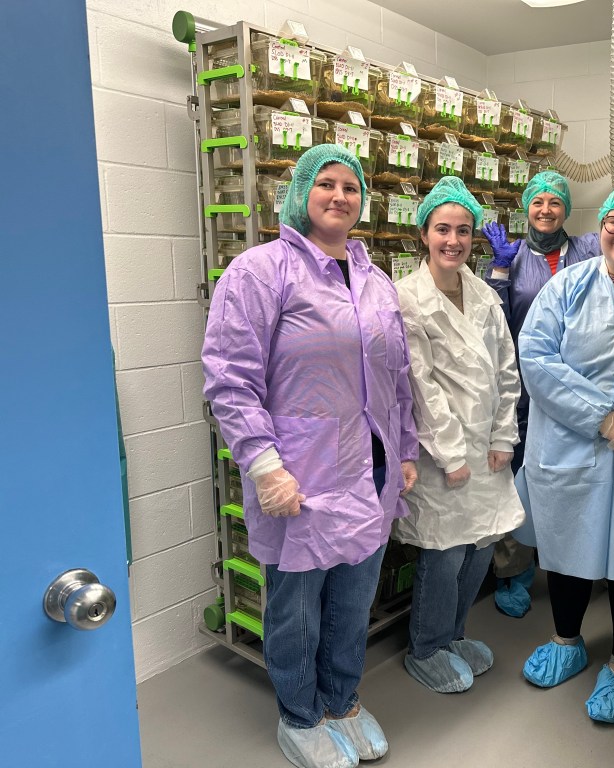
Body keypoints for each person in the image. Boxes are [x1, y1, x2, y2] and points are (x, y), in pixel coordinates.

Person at [202, 144, 419, 768]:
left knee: (354, 601)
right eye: (326, 184)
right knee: (296, 610)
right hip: (300, 477)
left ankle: (343, 700)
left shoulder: (375, 281)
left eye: (351, 187)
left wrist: (403, 451)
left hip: (368, 474)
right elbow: (229, 377)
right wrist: (265, 466)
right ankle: (299, 715)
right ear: (300, 193)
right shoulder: (259, 271)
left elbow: (396, 379)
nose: (339, 196)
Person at [512, 182, 614, 724]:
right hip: (570, 450)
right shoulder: (566, 287)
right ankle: (567, 640)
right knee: (564, 550)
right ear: (601, 227)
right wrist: (605, 418)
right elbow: (536, 359)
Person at [393, 176, 526, 694]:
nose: (454, 240)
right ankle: (426, 647)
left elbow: (505, 369)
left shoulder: (483, 294)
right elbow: (419, 388)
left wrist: (502, 438)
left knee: (481, 544)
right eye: (443, 229)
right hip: (440, 452)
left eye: (464, 231)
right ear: (424, 233)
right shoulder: (407, 298)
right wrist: (451, 455)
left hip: (486, 451)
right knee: (445, 552)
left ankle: (454, 634)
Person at [480, 171, 602, 618]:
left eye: (555, 201)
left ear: (567, 209)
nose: (546, 210)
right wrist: (497, 269)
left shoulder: (588, 249)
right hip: (525, 387)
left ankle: (578, 564)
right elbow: (490, 316)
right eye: (538, 202)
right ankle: (513, 572)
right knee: (516, 480)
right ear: (526, 208)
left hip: (582, 385)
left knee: (575, 477)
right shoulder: (510, 257)